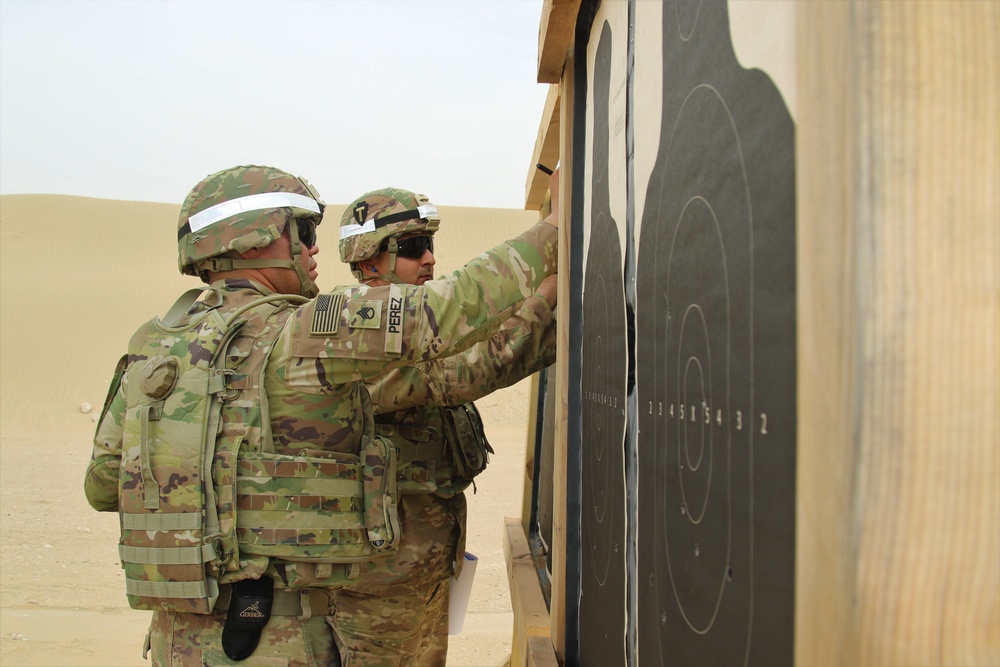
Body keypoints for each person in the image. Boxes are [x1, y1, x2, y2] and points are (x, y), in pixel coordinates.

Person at [84, 164, 559, 666]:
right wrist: (553, 233)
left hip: (181, 639)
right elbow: (444, 311)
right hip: (278, 635)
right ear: (252, 242)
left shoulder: (154, 347)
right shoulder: (301, 333)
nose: (313, 248)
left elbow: (104, 483)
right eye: (303, 231)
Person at [329, 181, 559, 664]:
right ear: (369, 260)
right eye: (413, 248)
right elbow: (476, 367)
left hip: (426, 568)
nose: (430, 259)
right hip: (380, 584)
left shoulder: (417, 326)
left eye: (429, 245)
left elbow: (482, 329)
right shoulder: (355, 336)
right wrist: (546, 295)